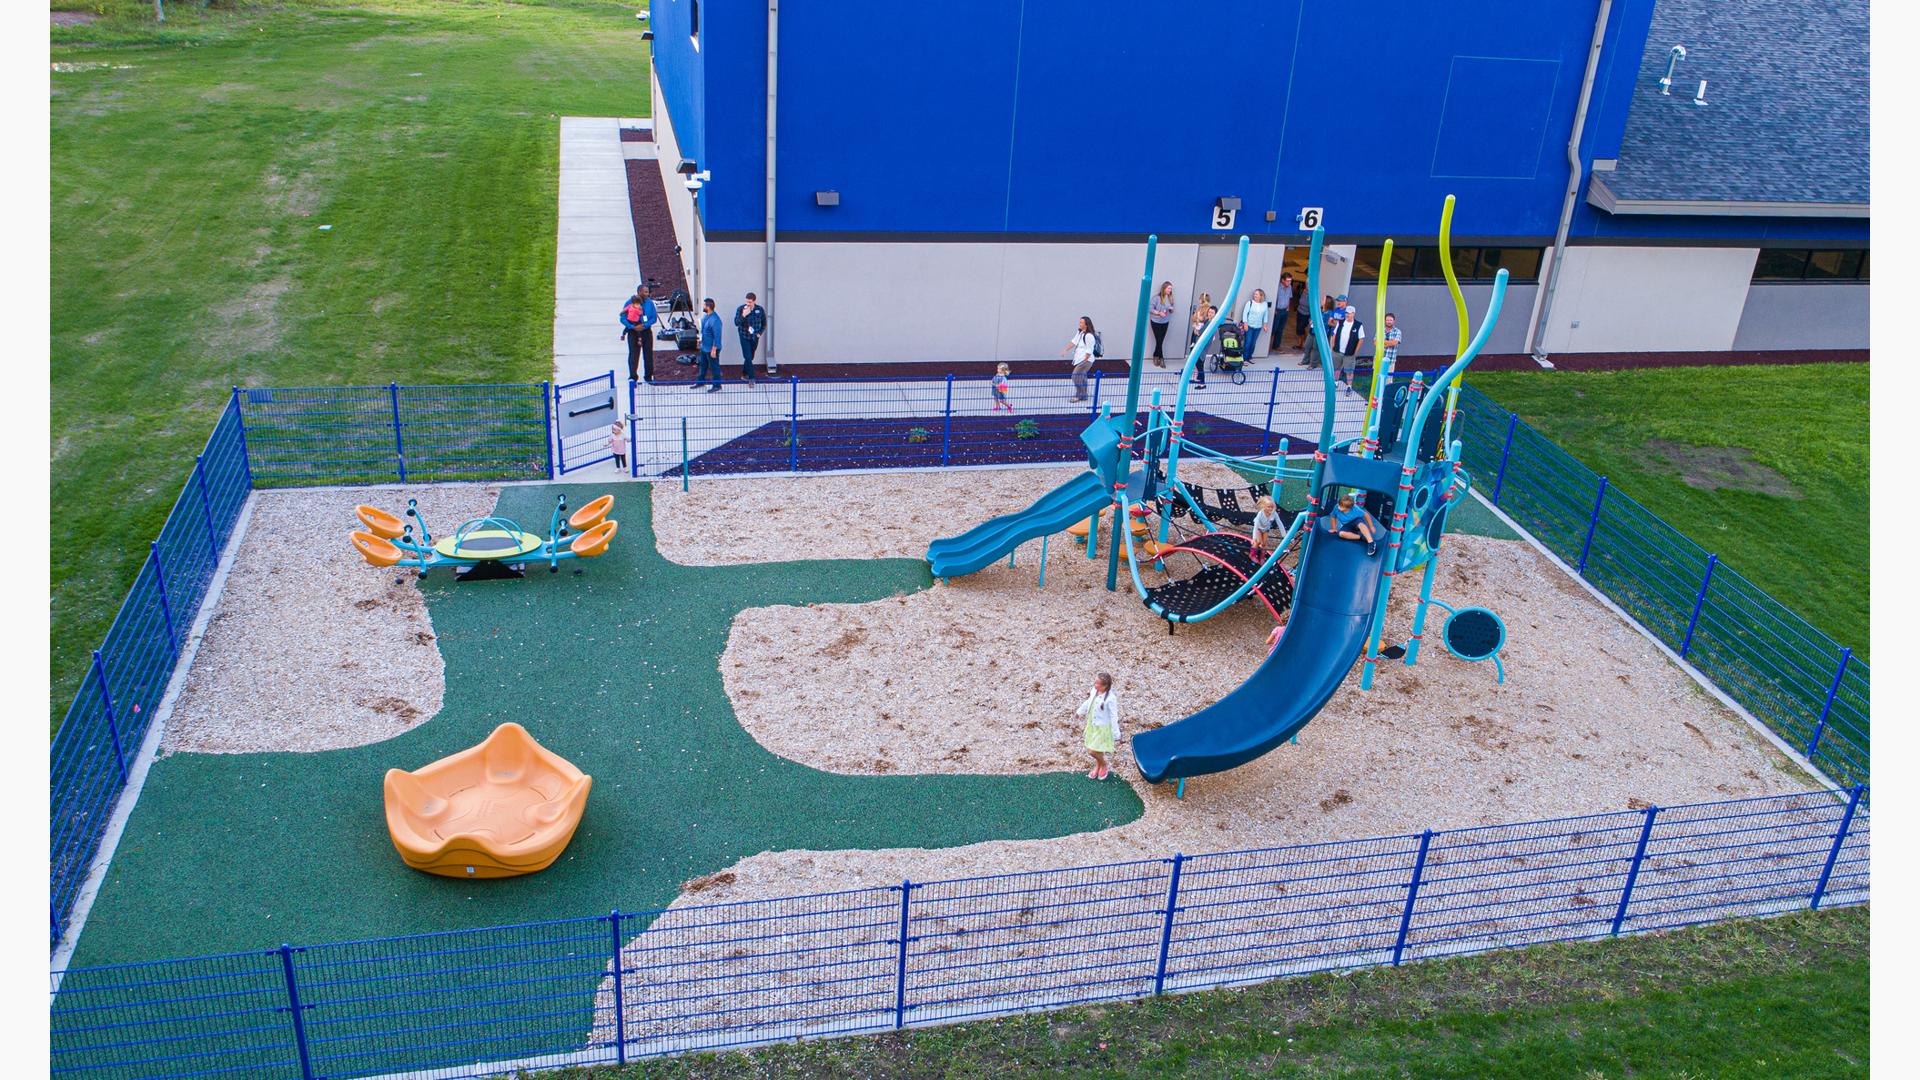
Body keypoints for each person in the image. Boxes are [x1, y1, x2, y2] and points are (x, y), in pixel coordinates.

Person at [1076, 672, 1121, 781]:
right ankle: (1098, 765)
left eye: (1098, 684)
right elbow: (1088, 702)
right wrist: (1079, 711)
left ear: (1105, 686)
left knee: (1092, 751)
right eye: (1095, 682)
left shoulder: (1110, 698)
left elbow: (1113, 715)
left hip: (1102, 728)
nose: (1095, 685)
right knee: (1098, 750)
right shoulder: (1094, 691)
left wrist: (1116, 733)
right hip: (1093, 725)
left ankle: (1104, 764)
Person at [619, 286, 658, 383]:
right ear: (639, 292)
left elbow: (654, 318)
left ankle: (648, 377)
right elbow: (622, 318)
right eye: (645, 292)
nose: (647, 294)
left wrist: (644, 325)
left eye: (647, 292)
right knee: (634, 355)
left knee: (648, 355)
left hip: (646, 332)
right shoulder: (629, 302)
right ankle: (633, 377)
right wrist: (632, 327)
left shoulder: (650, 303)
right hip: (634, 332)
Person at [1061, 316, 1098, 402]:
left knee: (1075, 376)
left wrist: (1085, 360)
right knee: (1081, 377)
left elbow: (1090, 349)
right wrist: (1065, 350)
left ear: (1086, 325)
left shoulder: (1089, 336)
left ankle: (1079, 395)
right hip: (1080, 359)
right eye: (1080, 322)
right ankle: (1084, 395)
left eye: (1081, 322)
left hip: (1085, 360)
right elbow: (1073, 342)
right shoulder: (1080, 333)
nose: (1079, 324)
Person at [1329, 305, 1367, 390]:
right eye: (1346, 313)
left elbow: (1361, 339)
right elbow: (1334, 335)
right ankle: (1335, 382)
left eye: (1349, 313)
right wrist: (1332, 347)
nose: (1347, 315)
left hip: (1350, 353)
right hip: (1337, 351)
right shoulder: (1340, 322)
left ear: (1353, 314)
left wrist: (1356, 352)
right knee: (1336, 368)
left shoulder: (1358, 325)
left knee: (1349, 371)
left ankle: (1349, 386)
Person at [733, 292, 766, 384]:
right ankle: (751, 378)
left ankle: (744, 373)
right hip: (744, 336)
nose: (748, 304)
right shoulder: (740, 309)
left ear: (754, 301)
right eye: (747, 302)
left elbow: (764, 323)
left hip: (755, 337)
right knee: (747, 356)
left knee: (750, 357)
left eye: (750, 302)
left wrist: (760, 333)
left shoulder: (760, 310)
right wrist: (744, 315)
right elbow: (736, 323)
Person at [694, 298, 724, 392]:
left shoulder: (715, 320)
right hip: (704, 347)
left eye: (704, 305)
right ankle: (700, 382)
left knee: (714, 367)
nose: (703, 307)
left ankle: (717, 385)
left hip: (711, 348)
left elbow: (717, 336)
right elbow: (704, 331)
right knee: (703, 365)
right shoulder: (706, 316)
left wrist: (714, 349)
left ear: (708, 307)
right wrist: (700, 340)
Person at [1239, 288, 1272, 362]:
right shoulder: (1250, 303)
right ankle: (1244, 359)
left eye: (1256, 294)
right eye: (1254, 294)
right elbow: (1245, 314)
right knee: (1248, 342)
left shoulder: (1264, 304)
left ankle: (1249, 356)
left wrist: (1265, 325)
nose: (1254, 295)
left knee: (1253, 343)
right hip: (1249, 326)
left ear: (1261, 295)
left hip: (1258, 327)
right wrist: (1245, 324)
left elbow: (1265, 315)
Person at [1191, 305, 1218, 388]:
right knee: (1198, 361)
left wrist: (1196, 330)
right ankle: (1199, 379)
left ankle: (1202, 384)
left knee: (1199, 363)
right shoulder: (1207, 320)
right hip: (1201, 343)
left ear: (1215, 314)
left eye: (1212, 313)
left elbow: (1201, 332)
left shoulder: (1211, 323)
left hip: (1203, 345)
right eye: (1209, 312)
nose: (1210, 314)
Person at [1149, 282, 1175, 366]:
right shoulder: (1156, 298)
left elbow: (1171, 308)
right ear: (1164, 288)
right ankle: (1161, 358)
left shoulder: (1170, 298)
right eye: (1168, 288)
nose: (1170, 290)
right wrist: (1159, 313)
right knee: (1159, 340)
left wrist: (1171, 309)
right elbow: (1150, 308)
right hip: (1156, 322)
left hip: (1165, 322)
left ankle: (1156, 355)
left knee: (1160, 341)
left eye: (1171, 289)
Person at [1272, 274, 1296, 352]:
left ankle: (1276, 346)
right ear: (1282, 280)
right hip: (1277, 311)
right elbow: (1274, 298)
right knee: (1274, 329)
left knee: (1280, 329)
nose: (1289, 282)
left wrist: (1288, 307)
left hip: (1284, 311)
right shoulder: (1277, 287)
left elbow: (1289, 297)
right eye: (1288, 281)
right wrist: (1274, 309)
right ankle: (1267, 346)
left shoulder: (1290, 287)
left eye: (1290, 281)